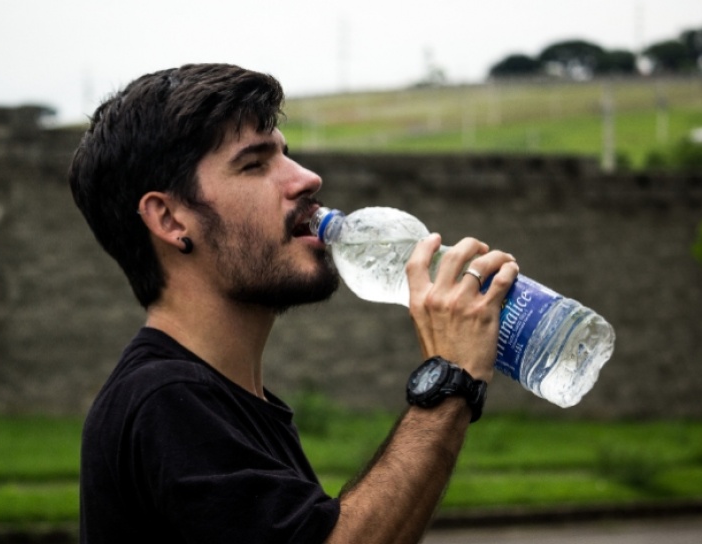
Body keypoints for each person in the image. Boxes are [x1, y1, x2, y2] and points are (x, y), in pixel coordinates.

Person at [68, 63, 518, 544]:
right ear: (171, 219)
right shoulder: (166, 401)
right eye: (254, 164)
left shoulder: (230, 403)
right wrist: (449, 378)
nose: (307, 178)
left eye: (287, 155)